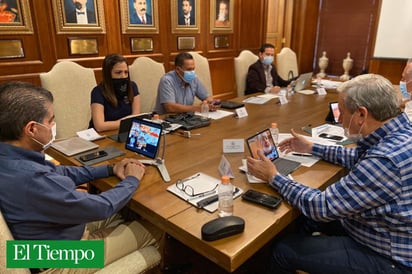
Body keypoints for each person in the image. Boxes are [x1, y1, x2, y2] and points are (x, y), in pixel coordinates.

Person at [247, 74, 412, 273]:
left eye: (342, 112)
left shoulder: (385, 161)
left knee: (284, 250)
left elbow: (321, 206)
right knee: (307, 220)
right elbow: (358, 158)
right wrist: (312, 147)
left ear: (361, 114)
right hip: (384, 229)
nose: (339, 119)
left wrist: (274, 176)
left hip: (390, 258)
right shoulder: (400, 133)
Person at [0, 82, 160, 272]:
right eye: (51, 120)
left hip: (39, 243)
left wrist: (110, 169)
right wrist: (132, 179)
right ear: (32, 129)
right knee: (155, 229)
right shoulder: (31, 178)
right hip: (54, 259)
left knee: (125, 214)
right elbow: (101, 207)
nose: (53, 125)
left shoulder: (11, 155)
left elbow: (60, 172)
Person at [89, 53, 141, 132]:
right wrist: (126, 121)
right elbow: (100, 126)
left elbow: (136, 117)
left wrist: (120, 123)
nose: (123, 76)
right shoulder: (98, 92)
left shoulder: (132, 86)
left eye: (126, 72)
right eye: (118, 72)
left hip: (124, 131)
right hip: (102, 135)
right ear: (108, 74)